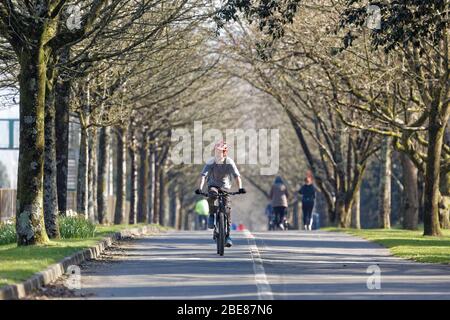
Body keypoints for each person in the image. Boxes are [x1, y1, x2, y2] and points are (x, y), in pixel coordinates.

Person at [195, 140, 246, 247]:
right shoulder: (211, 162)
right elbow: (203, 176)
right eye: (216, 151)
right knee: (212, 195)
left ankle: (228, 236)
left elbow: (237, 176)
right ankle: (212, 214)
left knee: (227, 209)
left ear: (224, 152)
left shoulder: (229, 162)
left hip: (225, 186)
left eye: (220, 151)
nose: (217, 153)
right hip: (212, 185)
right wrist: (200, 188)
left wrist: (240, 188)